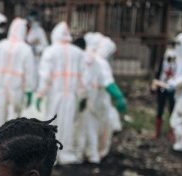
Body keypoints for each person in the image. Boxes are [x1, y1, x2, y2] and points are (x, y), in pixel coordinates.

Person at [36, 22, 86, 164]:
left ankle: (51, 157)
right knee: (68, 125)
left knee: (51, 124)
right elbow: (83, 77)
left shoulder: (50, 51)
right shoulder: (78, 53)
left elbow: (45, 76)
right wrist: (83, 96)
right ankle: (67, 155)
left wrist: (40, 94)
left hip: (54, 95)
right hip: (71, 95)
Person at [79, 33, 126, 163]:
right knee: (98, 129)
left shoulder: (85, 57)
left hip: (89, 100)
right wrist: (119, 97)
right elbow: (108, 83)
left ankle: (88, 153)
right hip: (98, 102)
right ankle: (95, 155)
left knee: (88, 128)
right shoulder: (100, 62)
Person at [0, 18, 36, 126]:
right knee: (14, 120)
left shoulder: (0, 46)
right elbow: (30, 72)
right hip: (16, 90)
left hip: (1, 88)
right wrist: (29, 90)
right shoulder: (25, 49)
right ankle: (11, 142)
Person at [152, 48, 176, 141]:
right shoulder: (162, 64)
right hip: (162, 88)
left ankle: (171, 132)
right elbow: (158, 74)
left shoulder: (177, 66)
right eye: (168, 58)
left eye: (172, 58)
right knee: (160, 110)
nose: (170, 60)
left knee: (172, 110)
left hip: (172, 89)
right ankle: (157, 132)